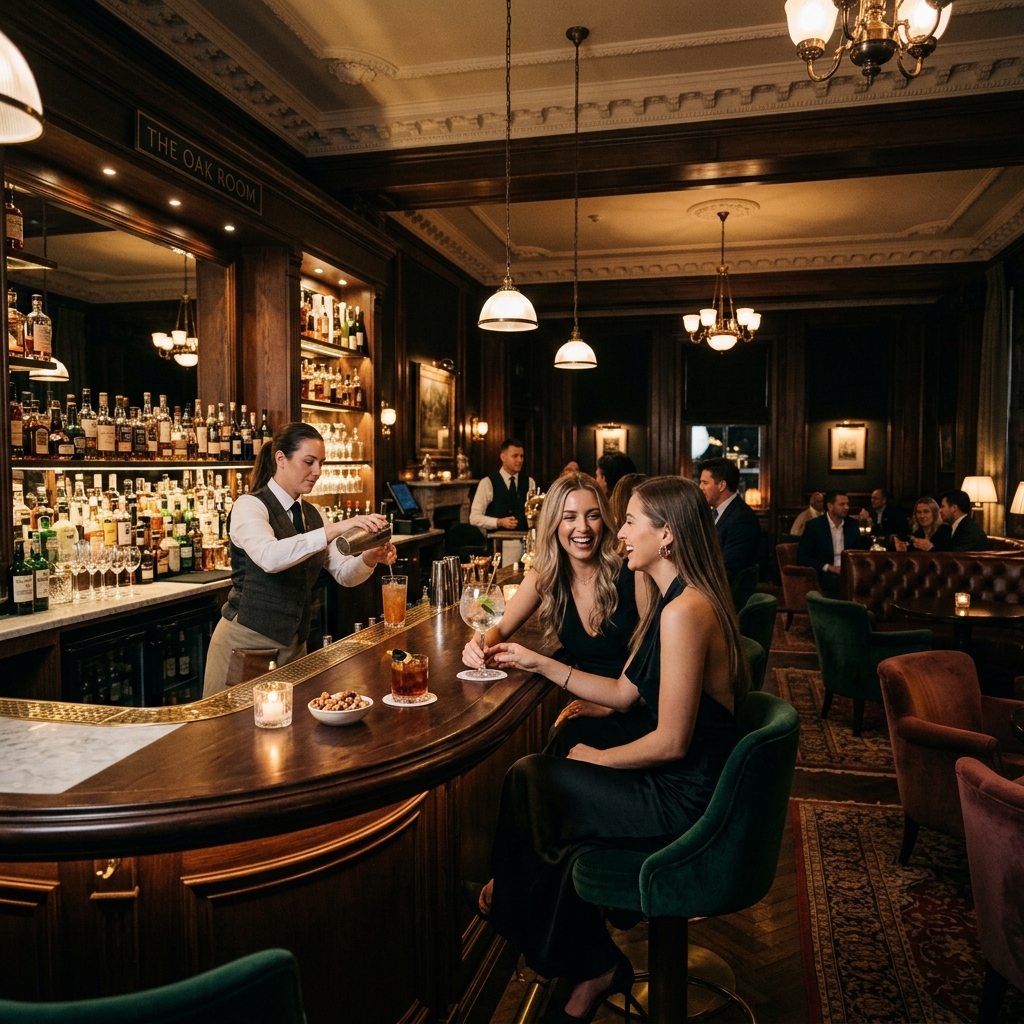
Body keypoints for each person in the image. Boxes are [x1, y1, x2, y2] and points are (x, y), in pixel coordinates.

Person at [466, 477, 748, 1024]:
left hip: (685, 798)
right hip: (679, 781)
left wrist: (598, 760)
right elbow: (623, 692)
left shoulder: (683, 611)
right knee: (545, 787)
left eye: (629, 521)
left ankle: (564, 946)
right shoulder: (674, 599)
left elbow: (672, 742)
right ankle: (585, 958)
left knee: (532, 779)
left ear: (666, 536)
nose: (618, 533)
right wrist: (536, 661)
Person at [202, 422, 397, 697]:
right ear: (281, 458)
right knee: (232, 722)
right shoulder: (250, 506)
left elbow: (344, 574)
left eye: (321, 463)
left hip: (294, 647)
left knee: (289, 722)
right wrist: (336, 529)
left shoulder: (313, 514)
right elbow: (269, 557)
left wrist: (369, 557)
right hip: (246, 646)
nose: (317, 472)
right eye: (309, 462)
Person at [462, 471, 644, 681]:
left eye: (593, 515)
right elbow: (499, 627)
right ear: (553, 523)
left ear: (604, 520)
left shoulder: (634, 572)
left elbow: (645, 671)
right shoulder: (545, 575)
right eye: (569, 517)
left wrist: (540, 663)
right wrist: (477, 646)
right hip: (583, 694)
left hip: (634, 697)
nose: (583, 527)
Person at [697, 457, 760, 581]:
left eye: (705, 482)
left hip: (723, 588)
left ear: (721, 485)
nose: (700, 487)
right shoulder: (714, 513)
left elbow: (729, 568)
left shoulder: (743, 519)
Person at [796, 490, 866, 597]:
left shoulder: (852, 525)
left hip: (849, 571)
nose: (846, 507)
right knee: (836, 582)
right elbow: (802, 557)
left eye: (847, 504)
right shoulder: (814, 526)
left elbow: (858, 552)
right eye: (842, 504)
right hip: (824, 573)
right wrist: (828, 567)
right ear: (830, 506)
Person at [469, 438, 536, 532]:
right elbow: (474, 518)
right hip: (497, 539)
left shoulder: (530, 482)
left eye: (521, 456)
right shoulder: (487, 483)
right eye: (515, 456)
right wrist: (498, 522)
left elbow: (534, 514)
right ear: (503, 457)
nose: (520, 460)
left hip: (523, 537)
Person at [912, 490, 991, 552]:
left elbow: (955, 556)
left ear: (954, 508)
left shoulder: (970, 530)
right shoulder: (957, 526)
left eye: (943, 506)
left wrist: (930, 547)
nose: (940, 510)